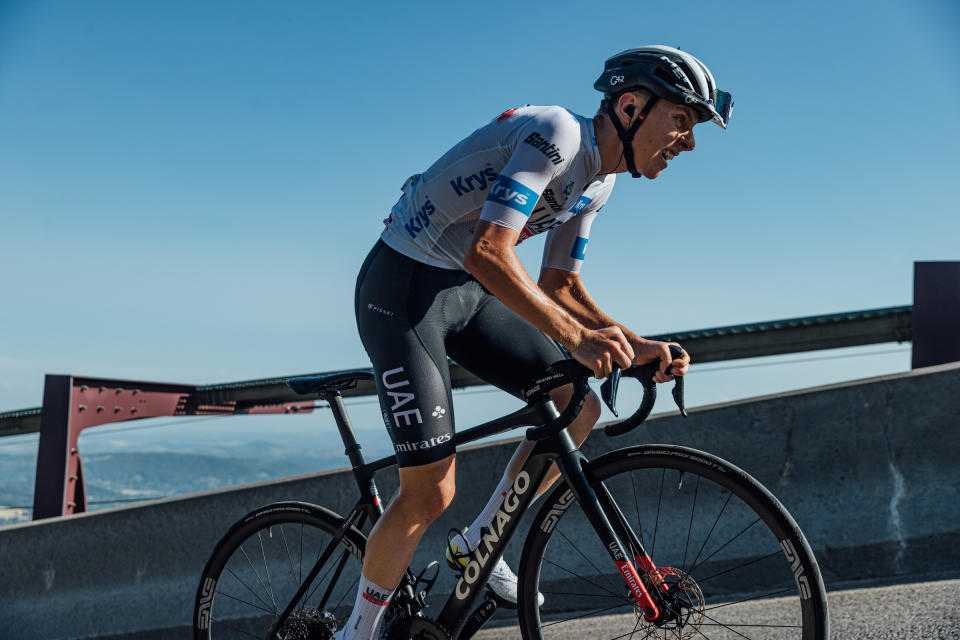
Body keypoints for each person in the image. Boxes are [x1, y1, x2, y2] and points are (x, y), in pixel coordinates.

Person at [344, 45, 732, 640]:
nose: (689, 141)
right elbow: (489, 250)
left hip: (468, 293)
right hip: (402, 289)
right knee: (429, 493)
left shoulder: (597, 184)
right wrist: (575, 337)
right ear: (630, 106)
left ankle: (477, 545)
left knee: (578, 404)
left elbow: (560, 284)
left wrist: (634, 341)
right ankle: (357, 632)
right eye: (681, 120)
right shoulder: (556, 135)